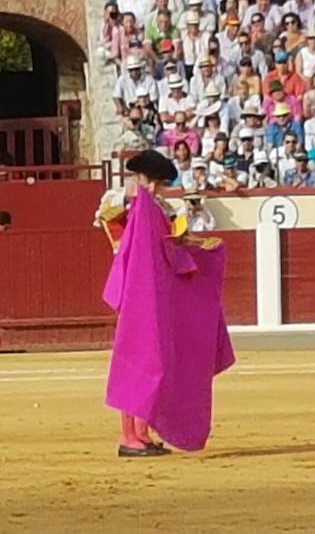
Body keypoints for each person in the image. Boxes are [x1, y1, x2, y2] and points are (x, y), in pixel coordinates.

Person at [101, 149, 234, 458]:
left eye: (145, 181)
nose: (145, 187)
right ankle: (129, 437)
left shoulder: (151, 209)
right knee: (143, 363)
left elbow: (169, 245)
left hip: (143, 295)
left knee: (145, 362)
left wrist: (198, 246)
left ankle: (140, 433)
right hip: (142, 296)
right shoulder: (134, 207)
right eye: (146, 181)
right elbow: (115, 223)